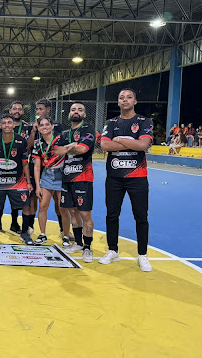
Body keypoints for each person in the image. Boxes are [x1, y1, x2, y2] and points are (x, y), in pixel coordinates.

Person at [99, 88, 154, 272]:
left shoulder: (144, 121)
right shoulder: (111, 122)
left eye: (129, 97)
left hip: (137, 177)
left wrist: (120, 139)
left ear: (135, 101)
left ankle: (142, 255)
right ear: (118, 102)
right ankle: (112, 250)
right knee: (112, 215)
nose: (125, 100)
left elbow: (143, 145)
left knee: (141, 216)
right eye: (121, 97)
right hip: (114, 178)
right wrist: (131, 143)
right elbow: (105, 145)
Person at [0, 114, 34, 244]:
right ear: (1, 125)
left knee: (26, 205)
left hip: (17, 180)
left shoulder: (21, 141)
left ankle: (24, 233)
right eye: (4, 123)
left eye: (9, 122)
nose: (7, 125)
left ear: (13, 125)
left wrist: (28, 182)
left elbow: (25, 164)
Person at [54, 103, 95, 263]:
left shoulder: (88, 130)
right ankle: (78, 243)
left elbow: (83, 149)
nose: (76, 112)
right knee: (72, 212)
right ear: (69, 114)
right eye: (73, 110)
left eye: (80, 110)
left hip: (83, 178)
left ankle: (87, 247)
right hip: (67, 178)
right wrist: (72, 146)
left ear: (84, 114)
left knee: (85, 213)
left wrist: (68, 148)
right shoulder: (65, 133)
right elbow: (57, 151)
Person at [30, 98, 66, 239]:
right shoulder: (35, 132)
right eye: (37, 109)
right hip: (44, 171)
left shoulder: (60, 132)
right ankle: (40, 232)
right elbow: (30, 149)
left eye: (41, 109)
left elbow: (68, 148)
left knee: (61, 205)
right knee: (41, 203)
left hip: (60, 171)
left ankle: (65, 232)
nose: (38, 111)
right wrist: (33, 130)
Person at [7, 100, 35, 234]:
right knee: (7, 194)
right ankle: (9, 222)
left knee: (23, 195)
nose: (17, 111)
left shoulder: (27, 128)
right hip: (6, 166)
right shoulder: (6, 126)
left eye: (19, 109)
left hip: (22, 166)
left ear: (23, 111)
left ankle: (25, 224)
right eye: (14, 109)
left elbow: (29, 146)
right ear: (10, 111)